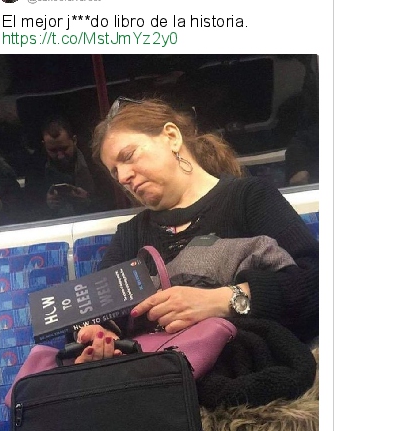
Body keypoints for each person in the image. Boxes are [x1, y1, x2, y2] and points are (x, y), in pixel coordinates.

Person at [74, 97, 318, 368]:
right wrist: (100, 335)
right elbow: (94, 311)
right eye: (115, 172)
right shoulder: (130, 235)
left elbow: (317, 283)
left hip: (249, 369)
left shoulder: (249, 198)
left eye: (128, 156)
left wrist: (222, 300)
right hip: (165, 377)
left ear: (171, 137)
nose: (123, 178)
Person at [24, 116, 98, 219]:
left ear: (74, 140)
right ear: (44, 145)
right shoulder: (35, 167)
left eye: (64, 148)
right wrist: (46, 204)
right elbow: (27, 208)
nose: (60, 156)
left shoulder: (94, 160)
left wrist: (89, 200)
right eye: (53, 150)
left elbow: (112, 200)